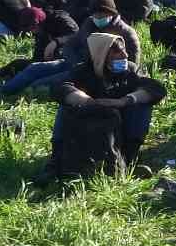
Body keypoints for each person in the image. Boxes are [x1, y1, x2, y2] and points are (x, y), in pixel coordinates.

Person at [51, 32, 167, 173]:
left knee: (141, 105)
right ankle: (56, 157)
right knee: (65, 105)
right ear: (102, 54)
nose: (125, 55)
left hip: (123, 125)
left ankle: (130, 156)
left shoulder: (130, 70)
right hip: (90, 125)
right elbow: (60, 87)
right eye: (117, 52)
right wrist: (88, 101)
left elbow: (155, 88)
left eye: (124, 50)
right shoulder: (84, 71)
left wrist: (123, 101)